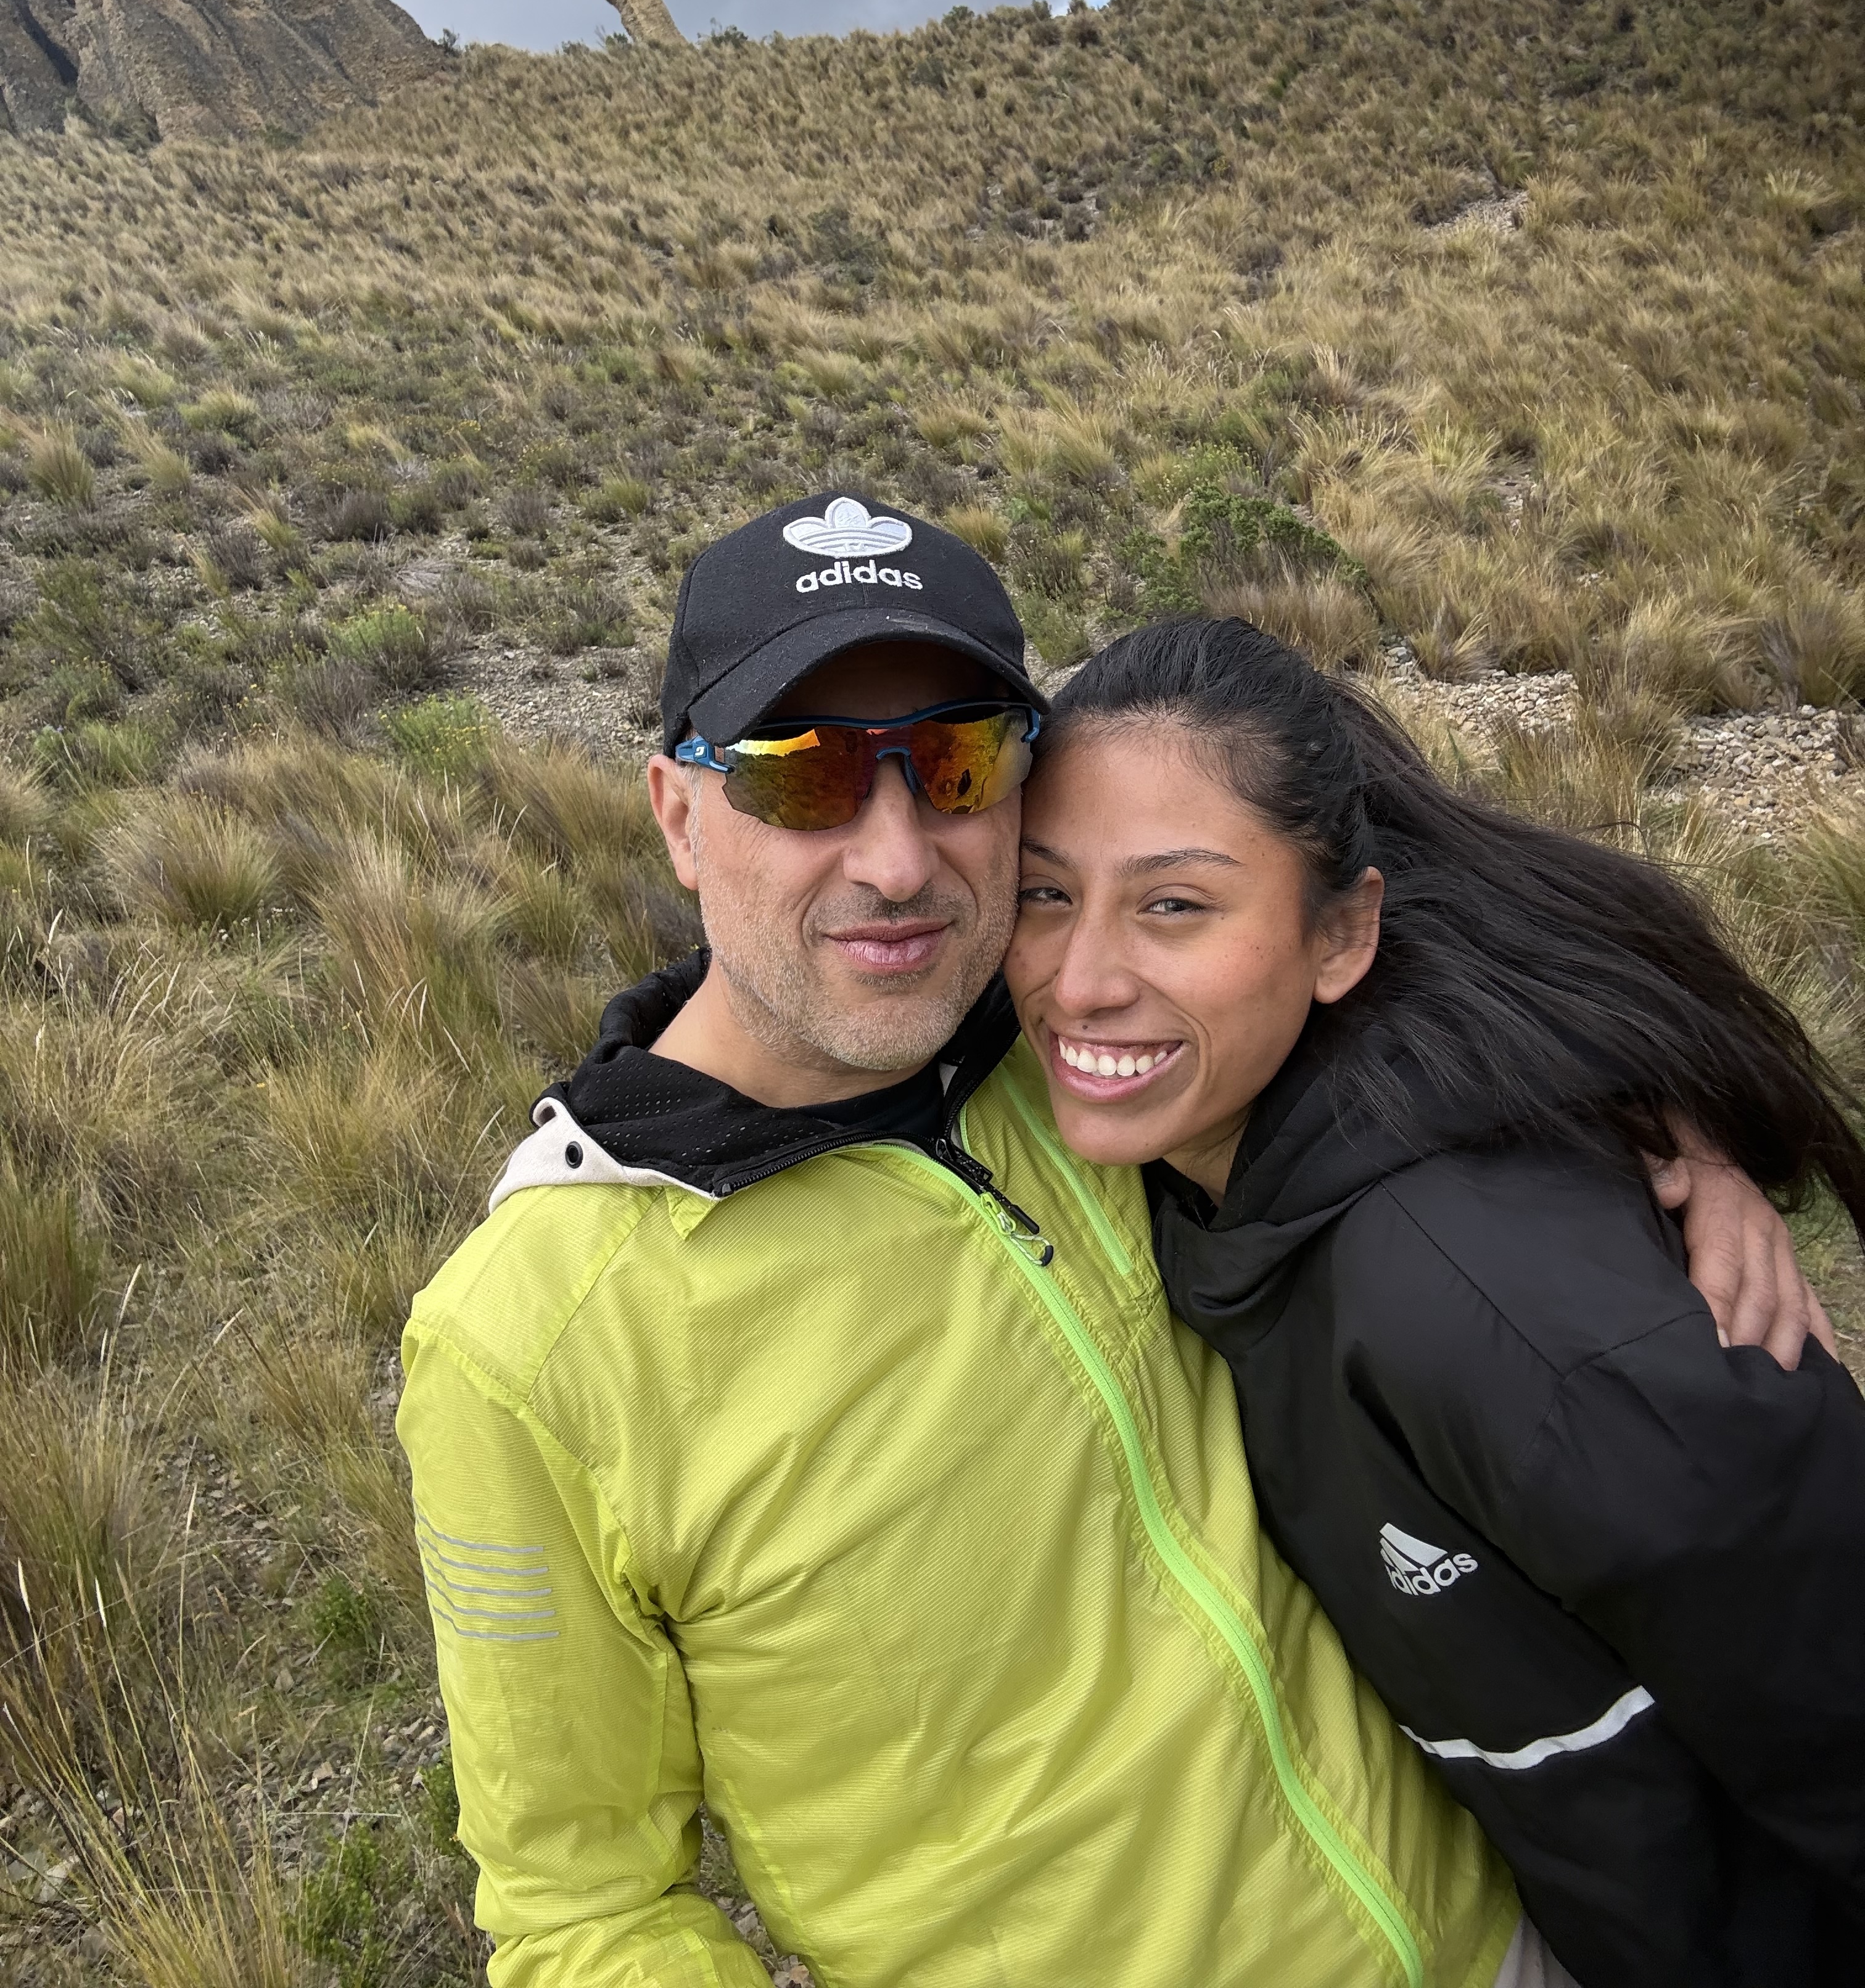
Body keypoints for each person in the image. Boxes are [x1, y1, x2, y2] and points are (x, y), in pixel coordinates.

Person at [397, 497, 1813, 1988]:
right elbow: (583, 1913)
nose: (898, 860)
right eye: (801, 774)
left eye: (958, 763)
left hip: (1503, 1935)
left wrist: (1660, 1124)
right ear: (680, 814)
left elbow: (1371, 921)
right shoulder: (530, 1346)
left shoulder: (1078, 1046)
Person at [1003, 612, 1865, 1988]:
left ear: (1344, 935)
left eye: (1175, 906)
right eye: (1044, 894)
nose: (1081, 980)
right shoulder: (1197, 1156)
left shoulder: (1512, 1322)